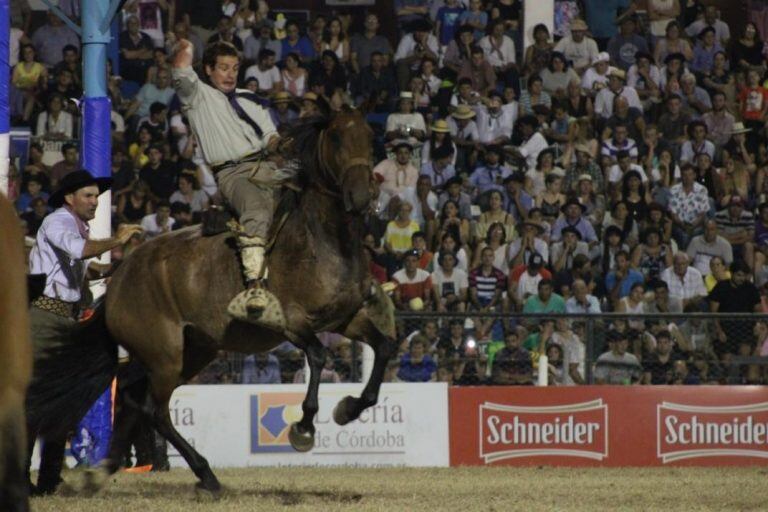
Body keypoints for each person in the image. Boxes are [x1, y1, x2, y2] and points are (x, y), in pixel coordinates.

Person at [27, 170, 142, 495]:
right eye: (88, 196)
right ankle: (22, 477)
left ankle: (48, 478)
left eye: (96, 196)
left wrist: (110, 270)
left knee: (57, 400)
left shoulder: (74, 224)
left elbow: (82, 266)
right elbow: (78, 252)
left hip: (61, 317)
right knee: (35, 397)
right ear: (69, 198)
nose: (95, 202)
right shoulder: (59, 222)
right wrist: (117, 241)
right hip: (44, 317)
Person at [170, 37, 290, 330]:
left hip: (269, 166)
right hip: (233, 173)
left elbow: (270, 137)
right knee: (257, 208)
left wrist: (283, 146)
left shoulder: (252, 98)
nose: (230, 74)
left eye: (234, 68)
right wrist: (183, 55)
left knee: (313, 185)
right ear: (208, 69)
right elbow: (182, 76)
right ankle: (255, 287)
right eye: (223, 68)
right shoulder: (198, 96)